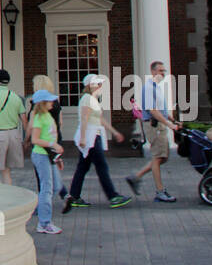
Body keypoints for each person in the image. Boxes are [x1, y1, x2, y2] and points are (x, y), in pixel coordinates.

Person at [62, 73, 132, 211]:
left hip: (93, 135)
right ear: (90, 85)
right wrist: (82, 137)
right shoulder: (87, 99)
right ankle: (112, 196)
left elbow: (99, 119)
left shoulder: (92, 99)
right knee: (102, 166)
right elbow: (84, 118)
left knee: (83, 167)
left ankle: (74, 196)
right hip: (91, 136)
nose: (100, 86)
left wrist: (114, 132)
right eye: (98, 84)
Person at [126, 60, 180, 203]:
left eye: (164, 71)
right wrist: (169, 124)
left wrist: (172, 120)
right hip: (154, 126)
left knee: (163, 157)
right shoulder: (149, 88)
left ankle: (136, 177)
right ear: (153, 72)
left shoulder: (157, 87)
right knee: (157, 157)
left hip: (159, 126)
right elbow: (152, 110)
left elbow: (161, 109)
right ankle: (160, 191)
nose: (163, 73)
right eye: (160, 70)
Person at [25, 74, 67, 203]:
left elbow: (32, 128)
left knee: (43, 177)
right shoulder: (55, 103)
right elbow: (60, 122)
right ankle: (62, 195)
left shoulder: (37, 106)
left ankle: (42, 202)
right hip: (54, 139)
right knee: (52, 173)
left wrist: (26, 139)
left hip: (43, 143)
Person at [29, 89, 64, 234]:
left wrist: (57, 157)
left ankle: (38, 208)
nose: (52, 102)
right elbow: (35, 139)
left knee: (56, 186)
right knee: (47, 188)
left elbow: (50, 137)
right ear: (43, 103)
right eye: (49, 101)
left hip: (49, 156)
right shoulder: (39, 118)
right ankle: (44, 223)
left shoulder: (48, 116)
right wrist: (53, 146)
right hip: (41, 155)